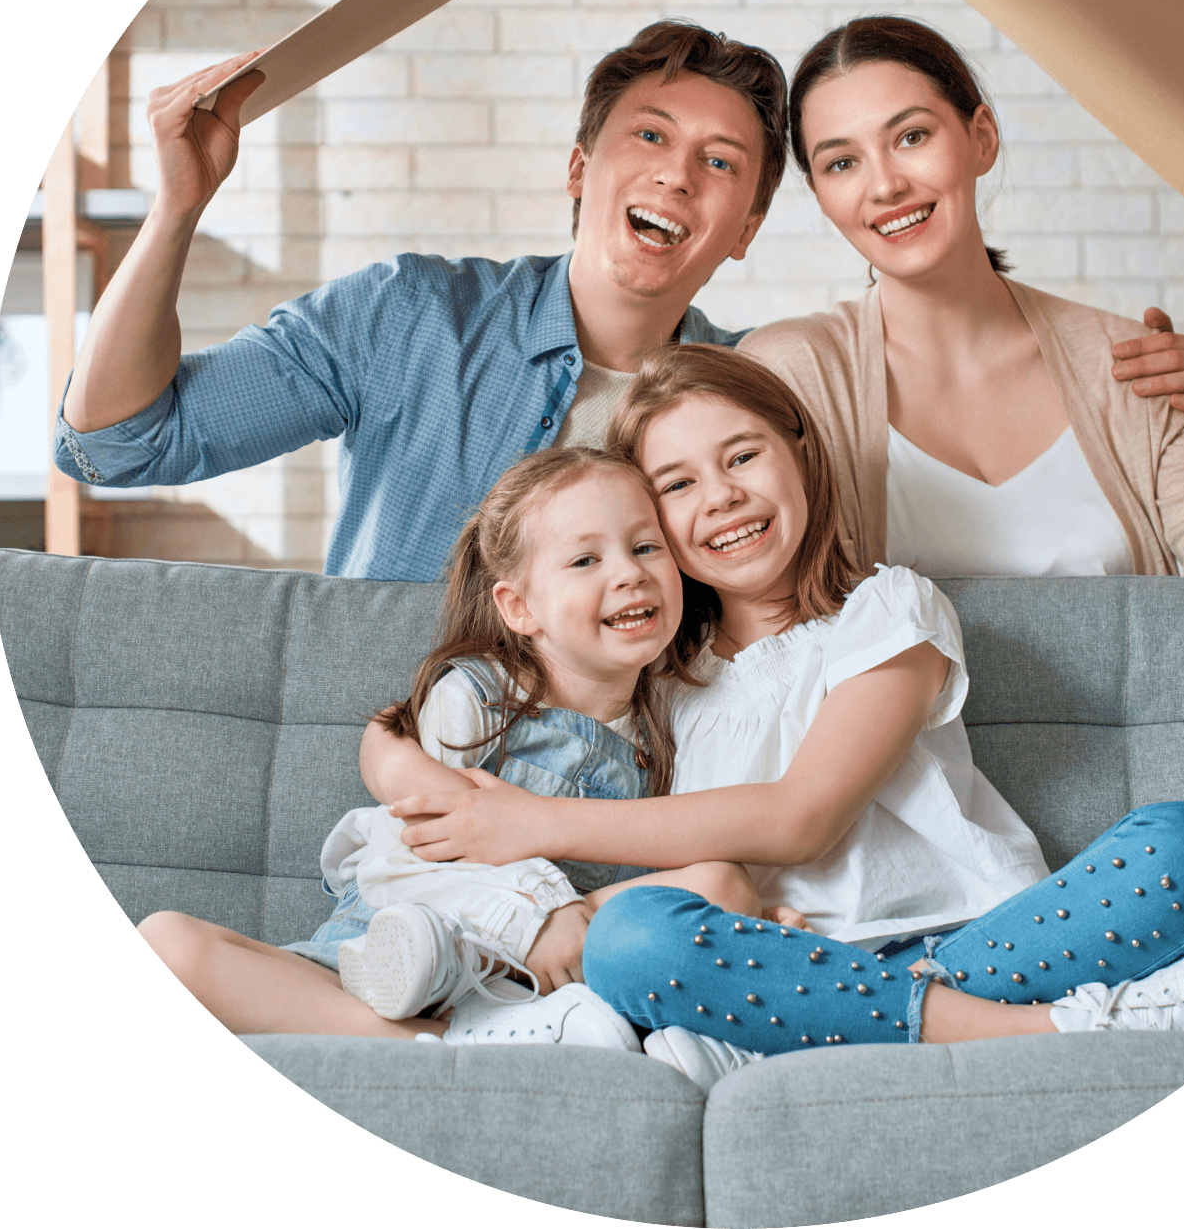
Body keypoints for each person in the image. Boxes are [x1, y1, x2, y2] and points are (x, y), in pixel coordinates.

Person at [388, 347, 1184, 1083]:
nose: (723, 497)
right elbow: (406, 729)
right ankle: (1060, 1030)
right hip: (778, 955)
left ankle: (812, 1029)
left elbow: (801, 819)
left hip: (973, 932)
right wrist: (418, 774)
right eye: (677, 485)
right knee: (632, 941)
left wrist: (531, 822)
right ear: (649, 522)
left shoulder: (890, 614)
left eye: (742, 456)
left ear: (801, 454)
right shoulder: (654, 676)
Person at [51, 20, 1184, 582]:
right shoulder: (407, 317)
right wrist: (177, 209)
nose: (677, 173)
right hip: (409, 766)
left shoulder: (753, 397)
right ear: (581, 170)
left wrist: (1170, 405)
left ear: (749, 226)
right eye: (649, 138)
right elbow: (112, 443)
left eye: (723, 162)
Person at [139, 446, 795, 1043]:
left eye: (647, 548)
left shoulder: (677, 717)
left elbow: (662, 890)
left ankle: (499, 1031)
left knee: (724, 885)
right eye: (586, 560)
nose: (628, 574)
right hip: (399, 948)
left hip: (533, 982)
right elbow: (410, 854)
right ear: (520, 608)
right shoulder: (478, 700)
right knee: (168, 943)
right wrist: (540, 913)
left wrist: (759, 929)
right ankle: (431, 1048)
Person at [737, 16, 1184, 588]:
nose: (884, 184)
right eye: (841, 163)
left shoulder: (1130, 364)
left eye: (911, 137)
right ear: (820, 194)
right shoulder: (789, 375)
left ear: (982, 138)